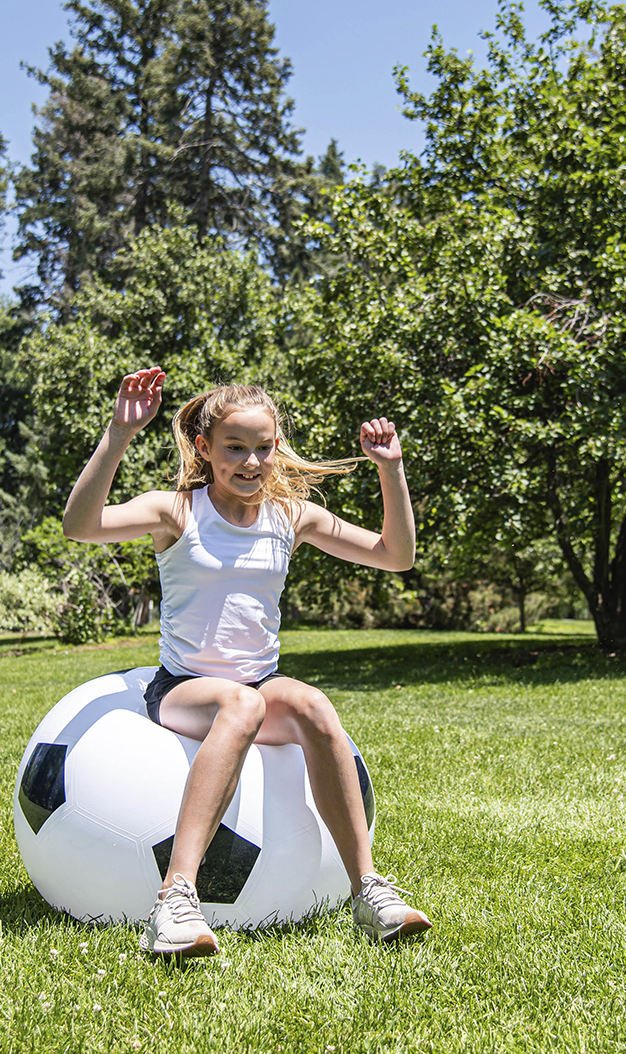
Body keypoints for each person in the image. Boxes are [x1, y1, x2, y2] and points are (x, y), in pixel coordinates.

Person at [62, 366, 431, 958]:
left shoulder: (291, 516)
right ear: (204, 448)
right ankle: (175, 899)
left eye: (262, 447)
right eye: (235, 447)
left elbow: (396, 555)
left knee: (312, 705)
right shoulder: (177, 511)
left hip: (260, 682)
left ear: (276, 447)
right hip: (183, 687)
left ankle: (367, 889)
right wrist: (119, 433)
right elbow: (80, 526)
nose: (251, 462)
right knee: (240, 704)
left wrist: (391, 469)